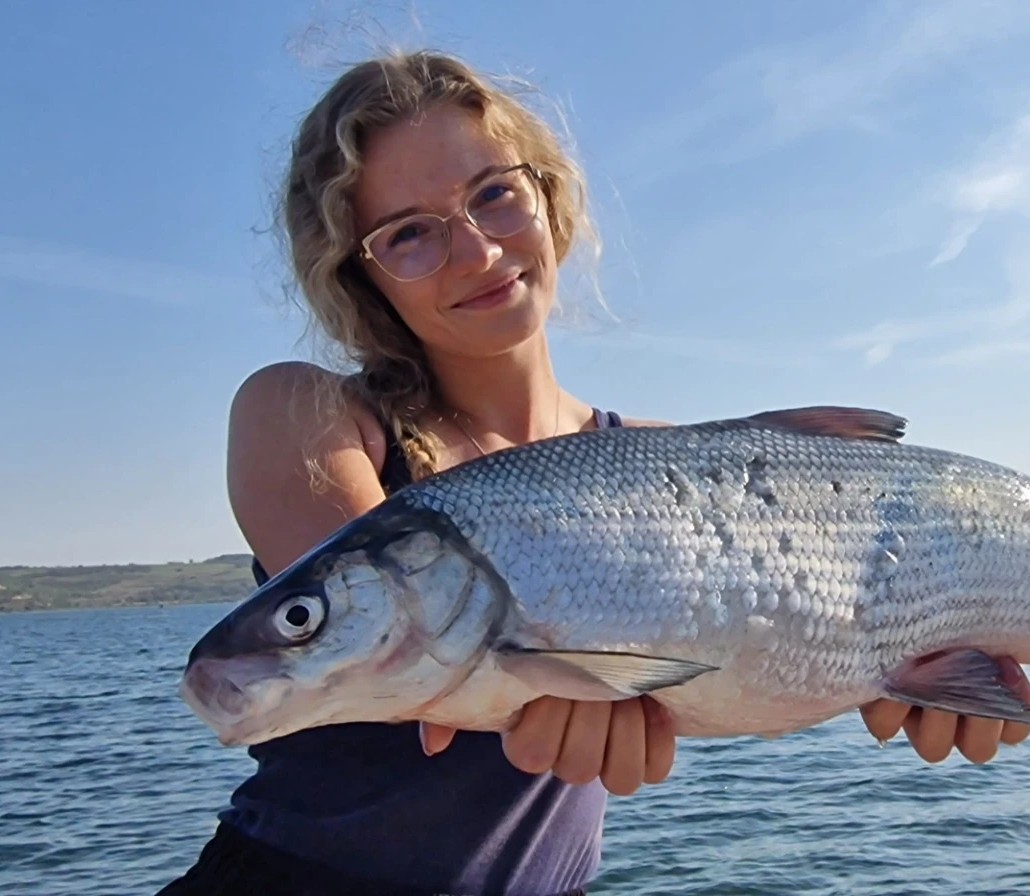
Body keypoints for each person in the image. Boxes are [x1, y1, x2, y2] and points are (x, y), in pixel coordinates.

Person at [158, 50, 1030, 896]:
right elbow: (390, 653)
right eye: (410, 233)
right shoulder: (303, 410)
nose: (476, 251)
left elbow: (791, 637)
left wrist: (923, 672)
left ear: (547, 196)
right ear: (359, 273)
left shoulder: (670, 460)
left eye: (494, 194)